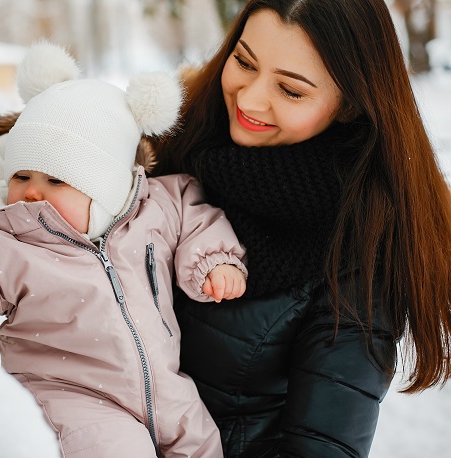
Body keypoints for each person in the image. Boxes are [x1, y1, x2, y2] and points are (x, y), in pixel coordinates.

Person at [148, 0, 451, 457]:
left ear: (349, 105)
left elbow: (322, 446)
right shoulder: (169, 144)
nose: (249, 99)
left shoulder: (359, 244)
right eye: (244, 62)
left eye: (291, 91)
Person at [0, 42, 248, 457]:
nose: (32, 191)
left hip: (164, 387)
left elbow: (194, 214)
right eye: (21, 175)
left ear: (109, 184)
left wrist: (213, 260)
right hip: (70, 397)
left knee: (202, 444)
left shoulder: (154, 208)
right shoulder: (5, 240)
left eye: (57, 180)